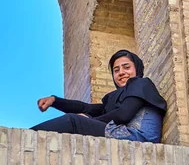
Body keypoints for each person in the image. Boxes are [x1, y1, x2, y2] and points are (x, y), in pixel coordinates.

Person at [31, 50, 167, 143]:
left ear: (136, 68)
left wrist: (88, 120)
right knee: (77, 121)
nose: (121, 73)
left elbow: (124, 114)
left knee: (74, 121)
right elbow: (86, 108)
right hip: (124, 133)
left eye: (126, 67)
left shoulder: (141, 84)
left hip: (141, 137)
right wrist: (54, 100)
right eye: (116, 70)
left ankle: (28, 137)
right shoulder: (114, 98)